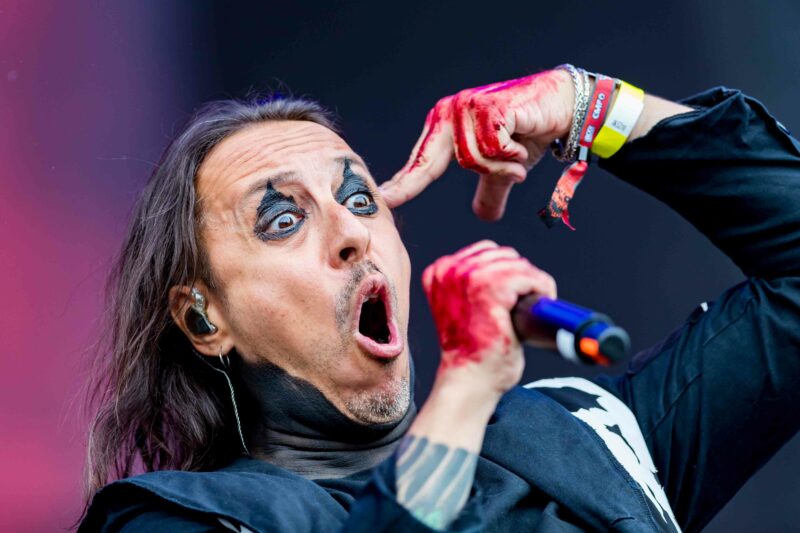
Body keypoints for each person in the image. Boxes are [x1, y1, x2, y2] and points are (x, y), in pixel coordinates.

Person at [78, 65, 800, 532]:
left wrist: (587, 107)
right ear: (203, 318)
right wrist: (464, 391)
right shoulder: (174, 521)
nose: (351, 233)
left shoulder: (585, 441)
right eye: (284, 219)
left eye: (360, 197)